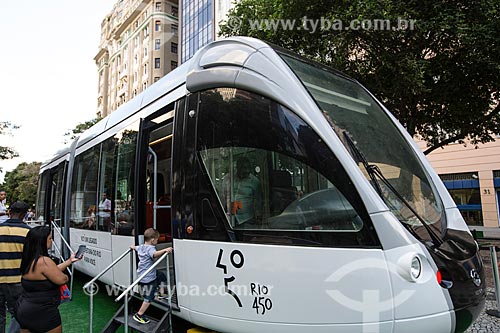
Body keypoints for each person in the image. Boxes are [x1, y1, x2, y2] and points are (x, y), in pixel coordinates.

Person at [16, 226, 81, 333]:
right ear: (42, 241)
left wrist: (69, 261)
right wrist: (65, 276)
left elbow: (49, 272)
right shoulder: (44, 261)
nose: (52, 241)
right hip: (43, 311)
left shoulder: (30, 259)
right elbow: (62, 279)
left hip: (25, 310)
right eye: (50, 238)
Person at [0, 201, 31, 333]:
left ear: (9, 213)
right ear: (24, 215)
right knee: (18, 315)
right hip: (17, 281)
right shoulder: (29, 232)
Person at [130, 228, 172, 324]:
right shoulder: (151, 248)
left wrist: (132, 247)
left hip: (142, 275)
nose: (157, 241)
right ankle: (139, 314)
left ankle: (161, 293)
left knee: (161, 276)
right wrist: (165, 250)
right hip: (149, 277)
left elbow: (135, 248)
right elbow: (154, 255)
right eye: (157, 240)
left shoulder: (141, 247)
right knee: (149, 297)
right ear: (152, 240)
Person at [222, 157, 262, 228]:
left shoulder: (255, 181)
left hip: (246, 219)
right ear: (238, 167)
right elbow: (223, 195)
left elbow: (258, 201)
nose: (247, 170)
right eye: (244, 168)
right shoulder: (228, 178)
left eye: (248, 168)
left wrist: (258, 217)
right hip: (229, 218)